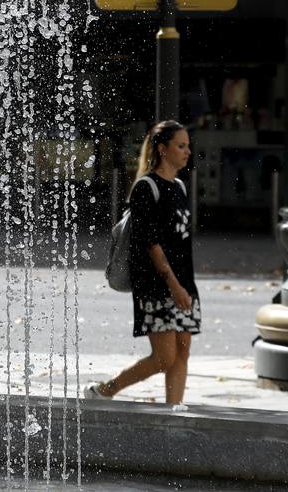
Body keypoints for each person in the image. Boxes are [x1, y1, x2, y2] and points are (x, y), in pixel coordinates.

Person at [86, 120, 199, 405]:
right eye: (181, 146)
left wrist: (184, 285)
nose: (187, 152)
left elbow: (180, 242)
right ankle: (105, 391)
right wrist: (173, 285)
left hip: (183, 282)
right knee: (164, 357)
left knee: (182, 352)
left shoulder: (180, 187)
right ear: (163, 149)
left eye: (188, 146)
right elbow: (151, 244)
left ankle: (174, 412)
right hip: (157, 284)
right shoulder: (146, 187)